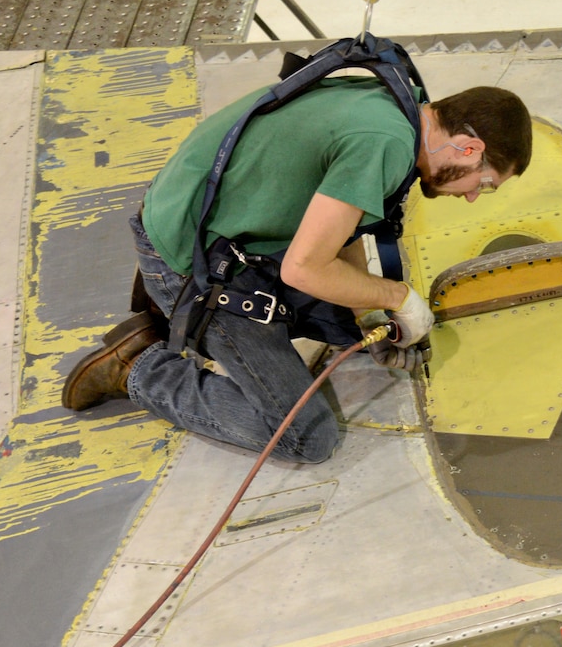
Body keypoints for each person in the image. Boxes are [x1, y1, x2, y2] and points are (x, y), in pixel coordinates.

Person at [63, 77, 533, 463]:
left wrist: (366, 318)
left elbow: (344, 230)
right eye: (484, 184)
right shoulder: (384, 144)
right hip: (193, 263)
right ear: (469, 149)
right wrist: (395, 297)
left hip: (221, 229)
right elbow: (304, 269)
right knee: (305, 437)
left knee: (345, 329)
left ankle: (170, 329)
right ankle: (141, 369)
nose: (472, 195)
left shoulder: (399, 106)